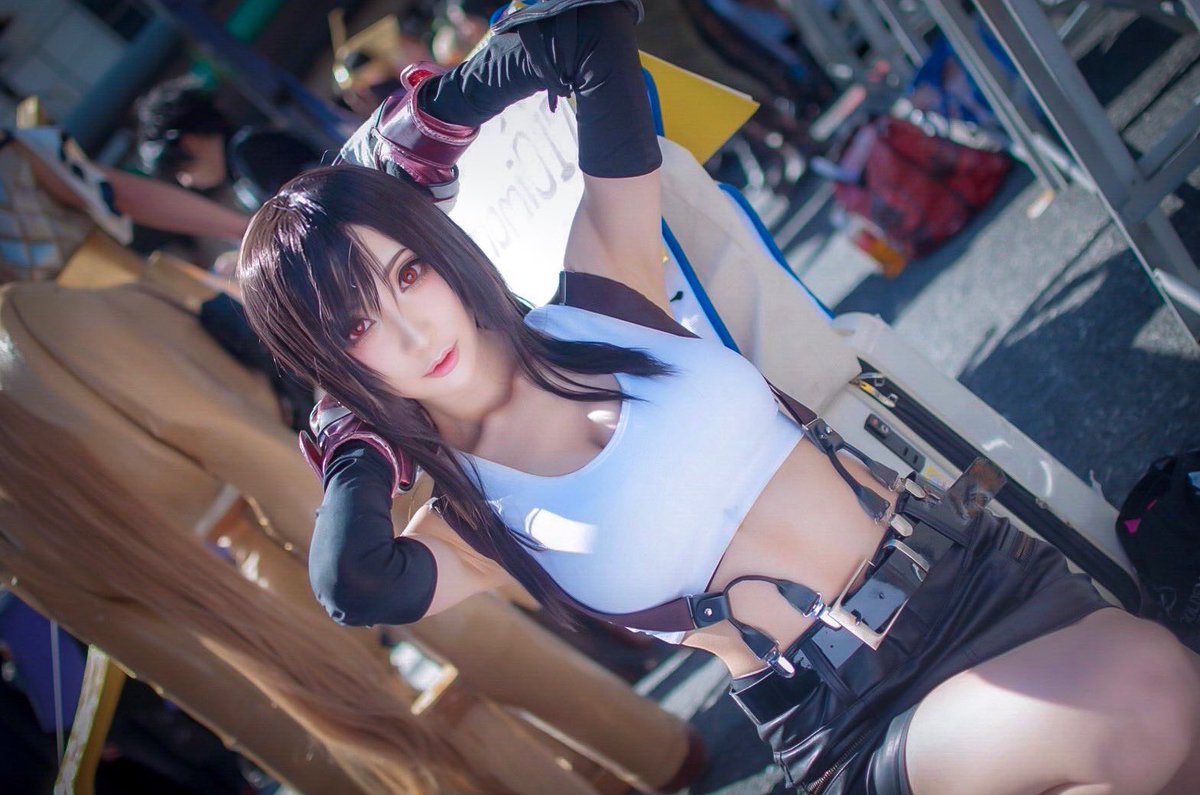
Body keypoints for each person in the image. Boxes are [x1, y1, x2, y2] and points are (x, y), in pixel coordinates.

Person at [237, 2, 1200, 793]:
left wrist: (430, 126)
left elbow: (590, 35)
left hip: (980, 574)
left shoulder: (607, 297)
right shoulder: (471, 521)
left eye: (408, 274)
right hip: (858, 717)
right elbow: (351, 583)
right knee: (1150, 693)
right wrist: (354, 434)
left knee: (1168, 738)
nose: (412, 332)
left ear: (442, 253)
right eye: (357, 327)